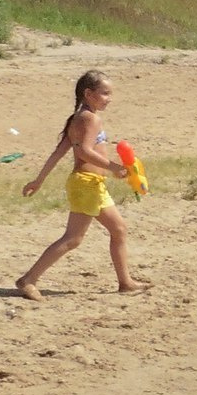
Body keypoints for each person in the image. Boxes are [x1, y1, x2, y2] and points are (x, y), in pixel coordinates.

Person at [16, 71, 148, 299]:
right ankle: (28, 280)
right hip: (86, 184)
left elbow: (58, 152)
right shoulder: (90, 119)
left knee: (119, 230)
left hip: (93, 184)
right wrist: (113, 167)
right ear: (88, 93)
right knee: (73, 238)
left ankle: (125, 282)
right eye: (105, 93)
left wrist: (39, 180)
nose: (109, 98)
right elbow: (83, 151)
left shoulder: (78, 118)